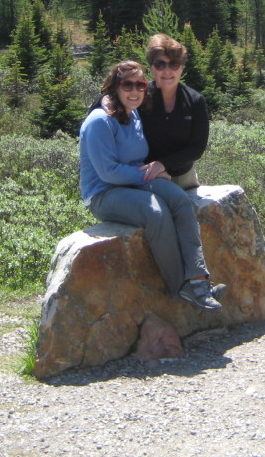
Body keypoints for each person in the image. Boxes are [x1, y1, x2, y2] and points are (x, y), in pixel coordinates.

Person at [78, 60, 225, 311]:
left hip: (136, 184)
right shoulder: (99, 121)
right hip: (104, 193)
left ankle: (199, 279)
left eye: (141, 84)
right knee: (155, 212)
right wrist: (151, 176)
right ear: (114, 87)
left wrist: (160, 169)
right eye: (127, 84)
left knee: (179, 200)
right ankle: (180, 284)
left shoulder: (133, 113)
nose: (135, 90)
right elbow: (109, 172)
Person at [139, 34, 209, 191]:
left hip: (184, 177)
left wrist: (163, 164)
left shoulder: (195, 100)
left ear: (182, 67)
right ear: (151, 67)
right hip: (146, 176)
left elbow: (197, 147)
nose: (167, 71)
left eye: (174, 64)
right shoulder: (139, 97)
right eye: (160, 64)